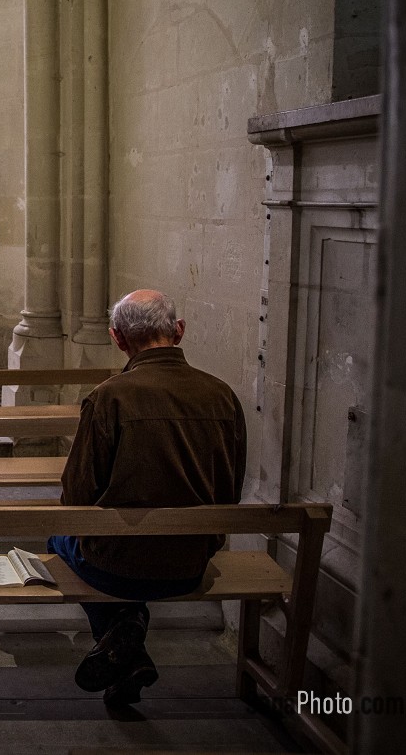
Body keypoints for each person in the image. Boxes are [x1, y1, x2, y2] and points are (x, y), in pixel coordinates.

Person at [51, 290, 247, 706]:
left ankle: (126, 628)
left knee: (56, 539)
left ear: (118, 340)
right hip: (190, 562)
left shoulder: (109, 397)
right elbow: (231, 488)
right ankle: (125, 644)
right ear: (178, 331)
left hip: (115, 568)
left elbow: (77, 497)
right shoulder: (223, 395)